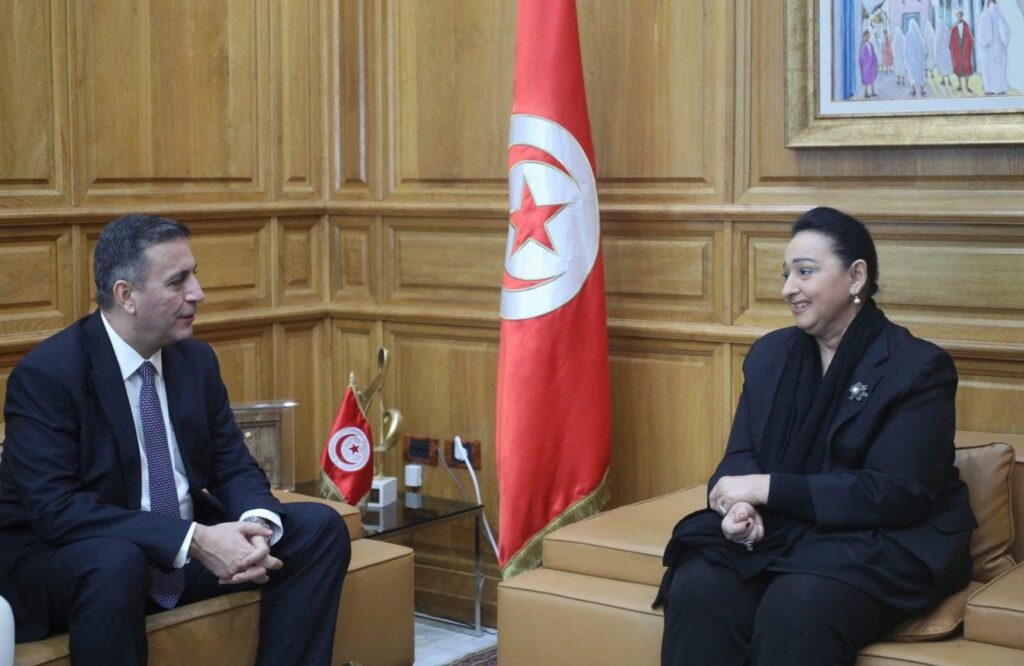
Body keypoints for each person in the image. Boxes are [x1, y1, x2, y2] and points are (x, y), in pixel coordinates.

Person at [0, 214, 351, 665]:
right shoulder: (49, 375)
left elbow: (232, 464)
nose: (197, 293)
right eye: (177, 282)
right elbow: (57, 511)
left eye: (194, 276)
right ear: (126, 295)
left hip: (175, 553)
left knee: (319, 529)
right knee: (116, 562)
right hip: (72, 560)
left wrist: (256, 528)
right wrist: (194, 539)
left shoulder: (194, 361)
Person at [656, 207, 975, 666]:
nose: (789, 288)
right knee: (700, 589)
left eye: (805, 272)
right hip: (783, 528)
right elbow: (741, 456)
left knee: (797, 606)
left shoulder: (916, 367)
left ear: (856, 276)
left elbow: (895, 493)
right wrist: (738, 506)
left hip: (881, 538)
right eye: (786, 274)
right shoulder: (770, 355)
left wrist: (769, 489)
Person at [978, 0, 1011, 95]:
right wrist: (984, 42)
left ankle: (1000, 88)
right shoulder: (984, 16)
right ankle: (989, 88)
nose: (992, 3)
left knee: (1000, 68)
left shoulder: (1000, 15)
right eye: (990, 1)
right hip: (988, 48)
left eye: (993, 1)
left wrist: (1005, 41)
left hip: (999, 47)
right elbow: (981, 34)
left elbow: (1005, 30)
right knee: (989, 69)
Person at [950, 10, 975, 92]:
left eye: (960, 15)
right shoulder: (954, 28)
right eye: (958, 15)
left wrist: (969, 43)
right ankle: (960, 85)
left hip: (965, 49)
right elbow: (952, 39)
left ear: (962, 16)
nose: (959, 17)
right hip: (957, 50)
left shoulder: (966, 26)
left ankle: (967, 85)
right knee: (958, 66)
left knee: (967, 66)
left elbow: (970, 37)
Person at [905, 19, 929, 96]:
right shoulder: (919, 36)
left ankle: (914, 90)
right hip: (919, 60)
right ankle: (922, 90)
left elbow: (905, 48)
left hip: (912, 60)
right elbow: (923, 48)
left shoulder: (908, 35)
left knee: (912, 74)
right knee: (920, 74)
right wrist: (923, 56)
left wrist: (906, 57)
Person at [859, 30, 879, 98]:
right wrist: (865, 63)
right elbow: (862, 56)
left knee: (872, 77)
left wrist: (875, 60)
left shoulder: (870, 44)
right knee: (866, 78)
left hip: (872, 63)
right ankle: (866, 93)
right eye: (867, 35)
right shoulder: (863, 45)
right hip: (866, 65)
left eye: (868, 35)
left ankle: (873, 92)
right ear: (864, 36)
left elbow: (873, 52)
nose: (868, 36)